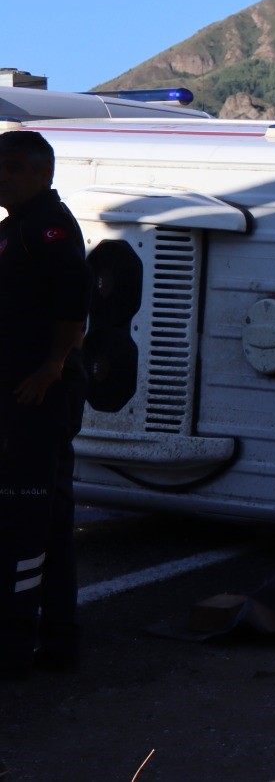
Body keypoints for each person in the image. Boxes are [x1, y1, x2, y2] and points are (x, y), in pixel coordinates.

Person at [0, 130, 89, 678]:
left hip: (39, 395)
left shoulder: (50, 228)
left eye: (12, 168)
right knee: (48, 520)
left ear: (41, 173)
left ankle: (14, 644)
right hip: (18, 391)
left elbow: (74, 300)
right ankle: (57, 642)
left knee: (24, 517)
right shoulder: (17, 228)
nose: (2, 177)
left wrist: (51, 367)